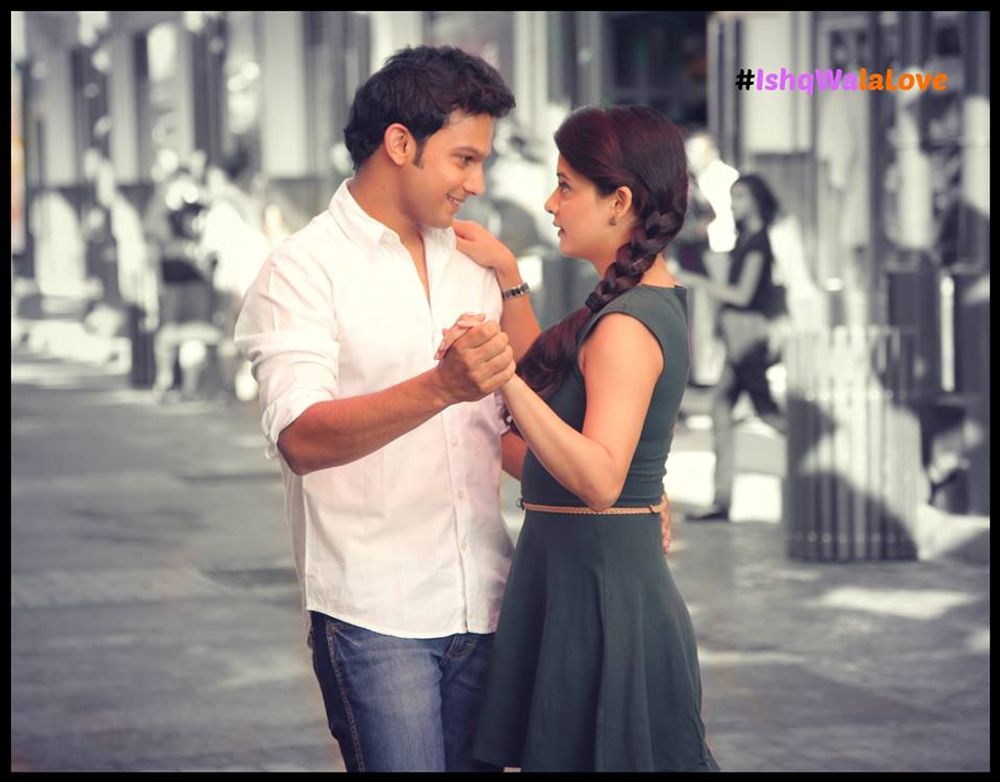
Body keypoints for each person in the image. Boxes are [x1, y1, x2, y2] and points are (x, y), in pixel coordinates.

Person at [438, 105, 718, 772]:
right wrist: (509, 278)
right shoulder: (622, 308)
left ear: (619, 201)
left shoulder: (627, 325)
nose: (550, 202)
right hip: (577, 587)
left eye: (565, 186)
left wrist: (500, 378)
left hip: (602, 602)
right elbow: (554, 404)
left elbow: (598, 479)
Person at [676, 173, 787, 522]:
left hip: (748, 336)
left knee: (767, 412)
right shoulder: (746, 241)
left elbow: (742, 295)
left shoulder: (758, 244)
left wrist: (699, 281)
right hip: (737, 336)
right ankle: (721, 500)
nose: (733, 204)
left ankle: (816, 458)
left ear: (756, 201)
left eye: (740, 197)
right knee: (721, 411)